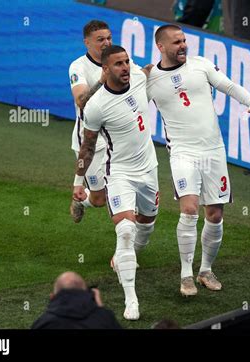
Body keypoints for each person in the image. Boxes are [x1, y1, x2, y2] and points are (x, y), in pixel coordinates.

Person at [146, 24, 250, 297]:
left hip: (213, 151)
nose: (183, 45)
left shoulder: (201, 65)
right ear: (161, 47)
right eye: (176, 42)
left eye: (184, 40)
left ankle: (205, 270)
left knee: (215, 214)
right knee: (189, 210)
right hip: (182, 153)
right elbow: (135, 110)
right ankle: (186, 275)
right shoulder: (150, 80)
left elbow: (230, 86)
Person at [73, 45, 158, 320]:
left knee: (146, 224)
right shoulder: (96, 107)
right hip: (119, 172)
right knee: (124, 230)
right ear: (105, 69)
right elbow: (87, 147)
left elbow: (149, 70)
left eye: (126, 62)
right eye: (118, 64)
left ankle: (124, 257)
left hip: (149, 170)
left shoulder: (139, 77)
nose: (125, 68)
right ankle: (131, 300)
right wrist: (77, 181)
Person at [68, 20, 112, 223]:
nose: (106, 43)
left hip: (116, 137)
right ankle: (81, 200)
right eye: (100, 39)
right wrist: (102, 80)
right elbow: (81, 100)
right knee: (99, 199)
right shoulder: (78, 66)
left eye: (109, 38)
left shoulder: (117, 59)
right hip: (90, 141)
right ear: (87, 42)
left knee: (123, 189)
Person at [31, 271, 121, 329]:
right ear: (90, 294)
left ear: (52, 297)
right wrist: (101, 309)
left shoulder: (43, 323)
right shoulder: (105, 319)